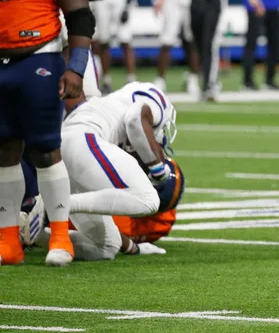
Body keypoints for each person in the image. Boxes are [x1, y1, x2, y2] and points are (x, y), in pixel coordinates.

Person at [0, 0, 95, 267]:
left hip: (39, 57)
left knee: (45, 150)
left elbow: (81, 16)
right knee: (4, 151)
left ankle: (60, 237)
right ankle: (8, 241)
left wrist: (75, 67)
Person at [21, 83, 182, 261]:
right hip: (83, 139)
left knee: (105, 247)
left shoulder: (112, 109)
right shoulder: (154, 99)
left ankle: (28, 232)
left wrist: (135, 248)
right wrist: (158, 168)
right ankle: (57, 204)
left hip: (67, 149)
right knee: (149, 199)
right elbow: (135, 118)